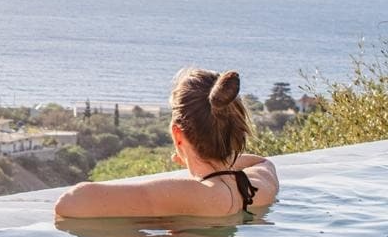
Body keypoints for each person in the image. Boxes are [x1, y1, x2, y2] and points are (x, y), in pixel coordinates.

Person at [55, 69, 279, 218]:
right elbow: (262, 162)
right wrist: (217, 160)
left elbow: (70, 203)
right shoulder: (257, 187)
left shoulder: (186, 194)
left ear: (177, 134)